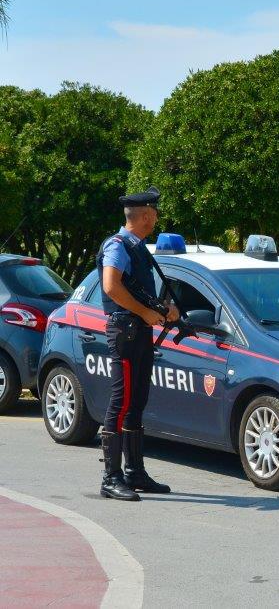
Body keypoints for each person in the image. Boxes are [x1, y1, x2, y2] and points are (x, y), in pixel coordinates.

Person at [96, 186, 178, 501]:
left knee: (136, 402)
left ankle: (134, 473)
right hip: (125, 331)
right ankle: (110, 478)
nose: (156, 217)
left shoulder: (138, 247)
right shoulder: (118, 245)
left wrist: (163, 310)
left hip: (140, 331)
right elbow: (111, 286)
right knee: (120, 402)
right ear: (144, 214)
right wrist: (145, 312)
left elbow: (138, 291)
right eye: (154, 212)